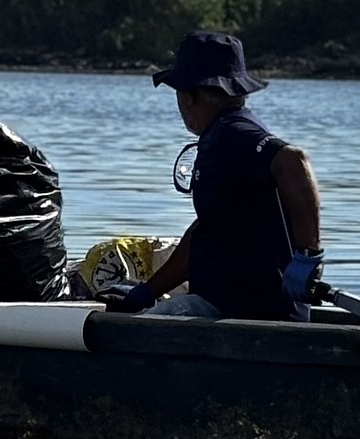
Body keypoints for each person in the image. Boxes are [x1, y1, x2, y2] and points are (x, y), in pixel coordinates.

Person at [107, 31, 323, 322]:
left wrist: (308, 257)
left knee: (137, 331)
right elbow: (205, 233)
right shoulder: (224, 139)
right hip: (235, 307)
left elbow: (294, 161)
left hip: (245, 313)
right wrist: (146, 292)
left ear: (189, 95)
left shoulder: (233, 134)